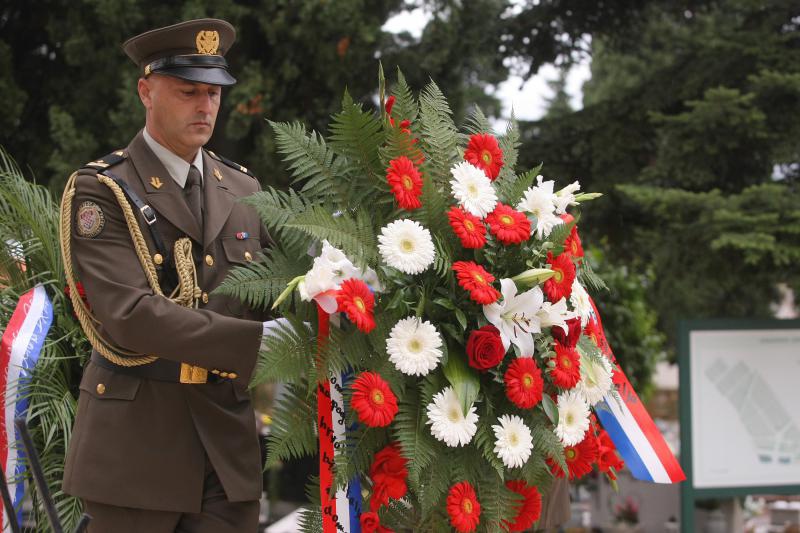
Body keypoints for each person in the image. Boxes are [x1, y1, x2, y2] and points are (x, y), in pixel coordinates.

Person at [61, 18, 270, 532]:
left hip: (226, 451)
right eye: (188, 91)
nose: (205, 106)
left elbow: (270, 294)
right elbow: (131, 315)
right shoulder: (103, 191)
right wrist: (258, 343)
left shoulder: (242, 190)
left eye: (214, 93)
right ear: (145, 92)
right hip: (135, 451)